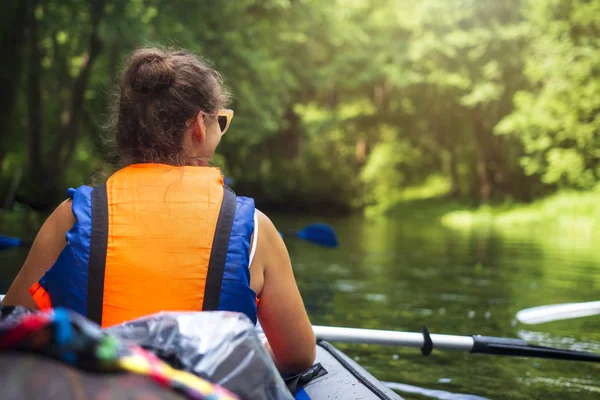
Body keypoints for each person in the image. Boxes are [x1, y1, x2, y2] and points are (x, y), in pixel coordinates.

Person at [3, 47, 316, 374]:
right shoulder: (253, 228)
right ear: (198, 127)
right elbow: (297, 355)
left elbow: (12, 328)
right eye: (219, 122)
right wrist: (260, 352)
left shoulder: (71, 216)